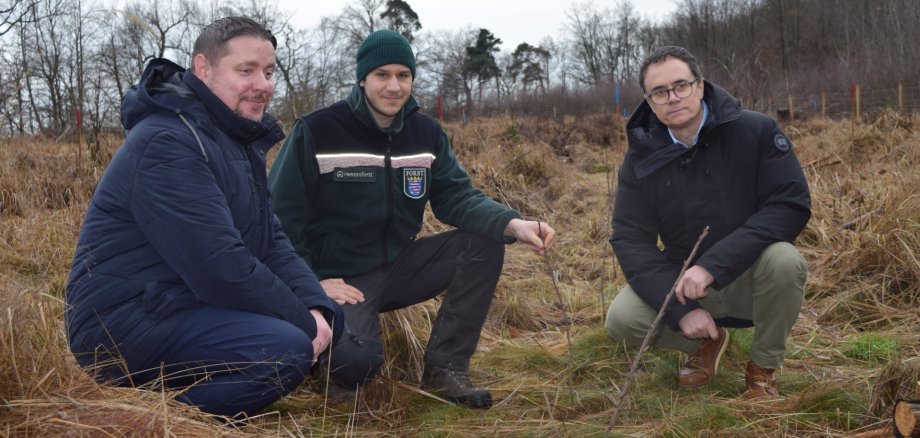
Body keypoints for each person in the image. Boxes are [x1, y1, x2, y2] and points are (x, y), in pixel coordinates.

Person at [65, 17, 343, 418]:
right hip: (121, 323)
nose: (263, 85)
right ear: (203, 70)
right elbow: (220, 265)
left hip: (181, 302)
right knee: (284, 349)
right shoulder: (167, 140)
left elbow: (272, 243)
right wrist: (303, 322)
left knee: (330, 321)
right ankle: (155, 421)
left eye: (268, 72)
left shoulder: (234, 140)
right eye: (246, 70)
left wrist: (317, 309)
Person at [268, 29, 556, 409]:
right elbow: (280, 215)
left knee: (483, 243)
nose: (394, 86)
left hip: (399, 266)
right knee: (357, 362)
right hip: (340, 277)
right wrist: (312, 281)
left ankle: (445, 369)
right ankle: (328, 360)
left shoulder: (426, 133)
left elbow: (456, 196)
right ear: (363, 78)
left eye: (403, 75)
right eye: (382, 75)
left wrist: (513, 223)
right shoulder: (319, 130)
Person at [605, 46, 811, 399]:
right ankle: (705, 343)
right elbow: (630, 239)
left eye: (681, 85)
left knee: (785, 261)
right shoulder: (640, 158)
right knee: (621, 320)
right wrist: (679, 310)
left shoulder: (755, 131)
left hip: (750, 270)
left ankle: (763, 367)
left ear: (700, 86)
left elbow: (789, 204)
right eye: (659, 92)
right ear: (649, 102)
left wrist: (713, 265)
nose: (673, 98)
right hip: (682, 281)